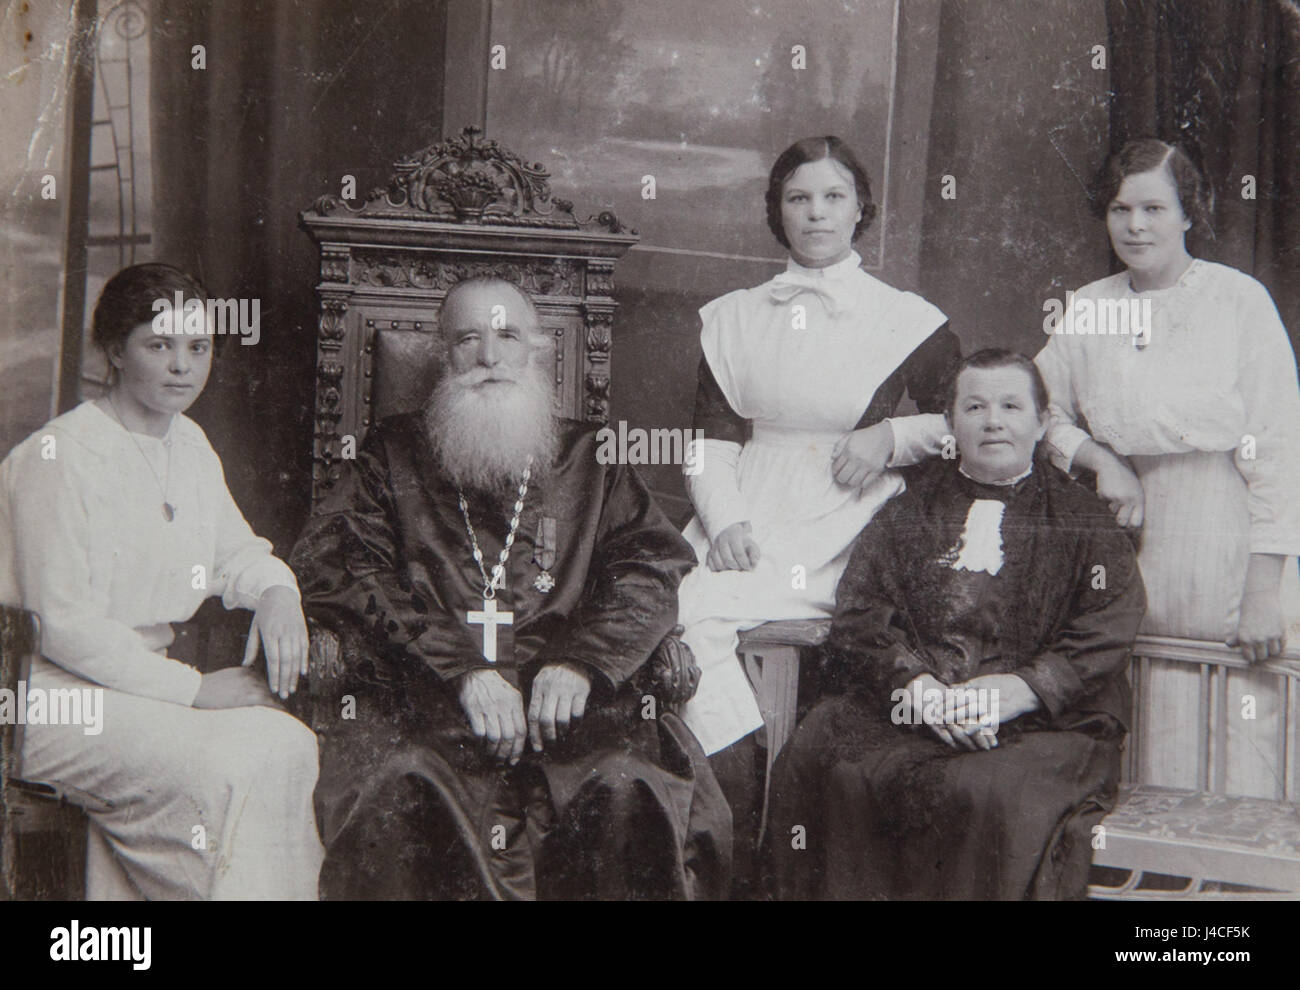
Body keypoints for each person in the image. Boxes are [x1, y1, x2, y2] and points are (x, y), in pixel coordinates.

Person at [290, 275, 730, 901]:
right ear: (443, 354)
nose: (490, 357)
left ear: (538, 349)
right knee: (405, 782)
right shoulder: (390, 453)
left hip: (576, 707)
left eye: (507, 336)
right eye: (469, 339)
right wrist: (463, 669)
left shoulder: (594, 458)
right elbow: (343, 568)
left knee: (626, 782)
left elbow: (651, 568)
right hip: (428, 697)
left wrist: (582, 662)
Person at [674, 136, 960, 887]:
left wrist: (891, 436)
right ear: (777, 211)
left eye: (833, 196)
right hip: (748, 498)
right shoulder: (734, 317)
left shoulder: (904, 318)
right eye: (799, 197)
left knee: (739, 618)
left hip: (845, 508)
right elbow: (709, 440)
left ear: (861, 207)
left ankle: (757, 818)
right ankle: (742, 791)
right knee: (679, 608)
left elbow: (968, 422)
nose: (816, 212)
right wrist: (726, 518)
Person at [763, 349, 1146, 900]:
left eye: (1012, 406)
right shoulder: (907, 513)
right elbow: (860, 618)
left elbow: (1107, 627)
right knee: (826, 759)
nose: (993, 421)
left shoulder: (1083, 521)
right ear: (950, 424)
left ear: (1041, 423)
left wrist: (1020, 691)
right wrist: (920, 693)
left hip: (1041, 722)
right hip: (915, 711)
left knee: (987, 793)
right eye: (975, 406)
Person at [0, 263, 323, 899]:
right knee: (227, 765)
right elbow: (64, 625)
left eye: (197, 347)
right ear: (115, 351)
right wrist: (193, 690)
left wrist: (278, 591)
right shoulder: (59, 457)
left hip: (140, 690)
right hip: (50, 698)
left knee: (287, 744)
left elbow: (237, 553)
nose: (182, 366)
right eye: (160, 345)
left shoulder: (190, 445)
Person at [1034, 138, 1300, 797]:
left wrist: (1265, 591)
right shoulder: (1089, 305)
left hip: (1230, 535)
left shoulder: (1239, 301)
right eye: (1121, 209)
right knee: (1152, 710)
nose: (1136, 226)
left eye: (1154, 208)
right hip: (1129, 536)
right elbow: (1034, 410)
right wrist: (1100, 460)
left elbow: (1278, 445)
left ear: (1191, 214)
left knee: (1240, 714)